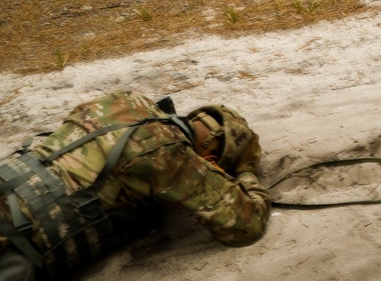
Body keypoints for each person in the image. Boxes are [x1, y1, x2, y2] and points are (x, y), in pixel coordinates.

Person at [0, 91, 270, 280]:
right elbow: (246, 226)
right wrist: (246, 173)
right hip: (14, 243)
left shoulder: (122, 99)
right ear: (211, 160)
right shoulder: (170, 155)